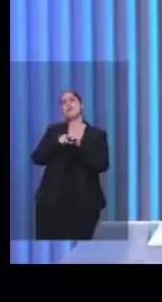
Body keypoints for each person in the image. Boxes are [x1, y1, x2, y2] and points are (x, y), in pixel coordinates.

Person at [31, 90, 109, 239]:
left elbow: (102, 164)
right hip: (51, 203)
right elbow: (37, 158)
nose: (68, 104)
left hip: (85, 204)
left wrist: (78, 145)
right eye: (63, 102)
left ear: (81, 105)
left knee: (79, 248)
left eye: (72, 100)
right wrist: (57, 143)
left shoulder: (97, 135)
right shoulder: (54, 132)